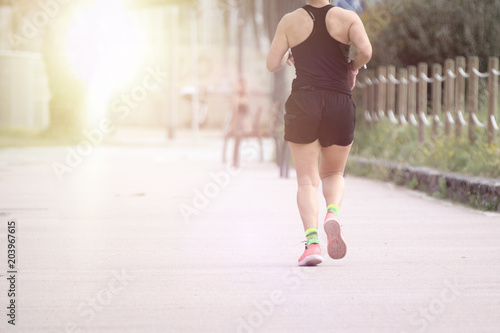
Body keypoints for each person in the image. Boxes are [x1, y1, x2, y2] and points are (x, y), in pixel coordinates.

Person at [266, 0, 372, 266]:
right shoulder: (347, 18)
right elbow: (366, 51)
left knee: (306, 181)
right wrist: (351, 67)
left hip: (304, 102)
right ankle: (332, 213)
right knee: (334, 173)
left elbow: (271, 64)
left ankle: (312, 244)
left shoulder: (290, 21)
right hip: (339, 101)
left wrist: (288, 56)